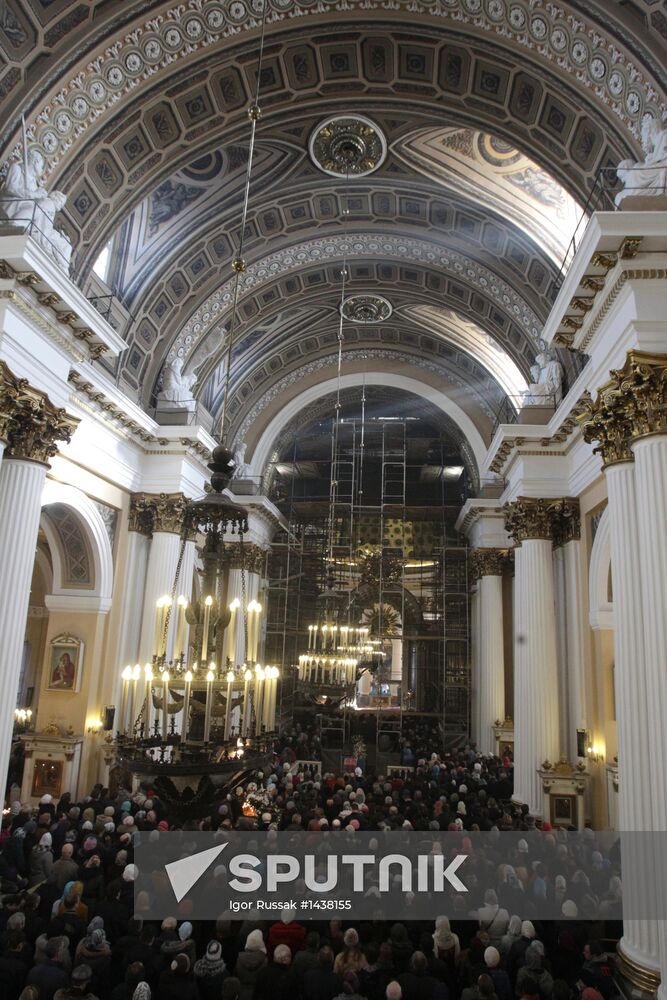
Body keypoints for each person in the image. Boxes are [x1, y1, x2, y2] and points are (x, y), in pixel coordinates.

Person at [234, 929, 267, 1000]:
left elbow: (237, 975)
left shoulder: (239, 959)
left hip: (241, 992)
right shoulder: (265, 961)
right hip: (258, 993)